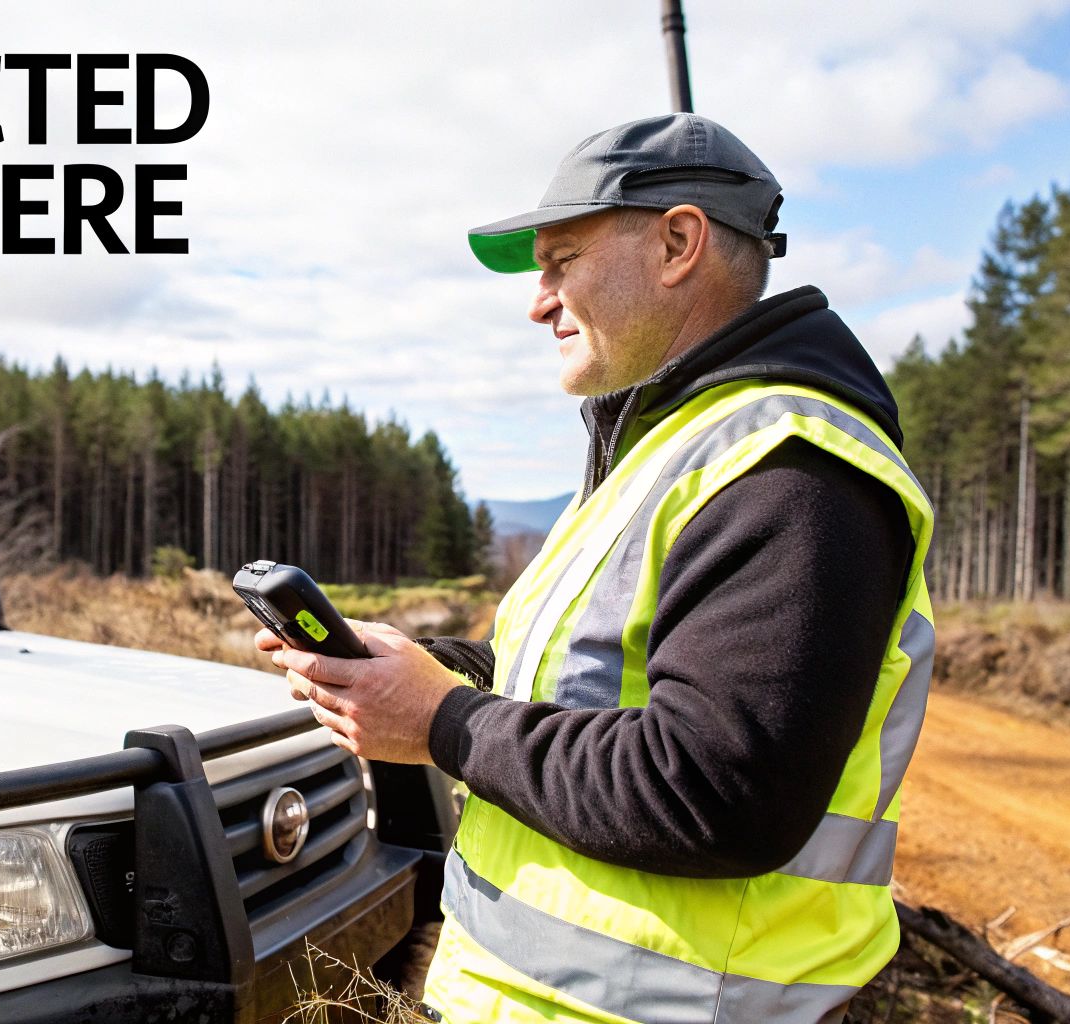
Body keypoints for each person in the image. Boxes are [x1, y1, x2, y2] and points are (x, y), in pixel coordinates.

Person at [256, 112, 934, 1024]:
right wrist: (423, 670)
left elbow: (715, 788)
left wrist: (442, 720)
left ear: (678, 242)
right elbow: (573, 687)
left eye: (561, 262)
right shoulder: (664, 453)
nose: (538, 301)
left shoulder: (788, 470)